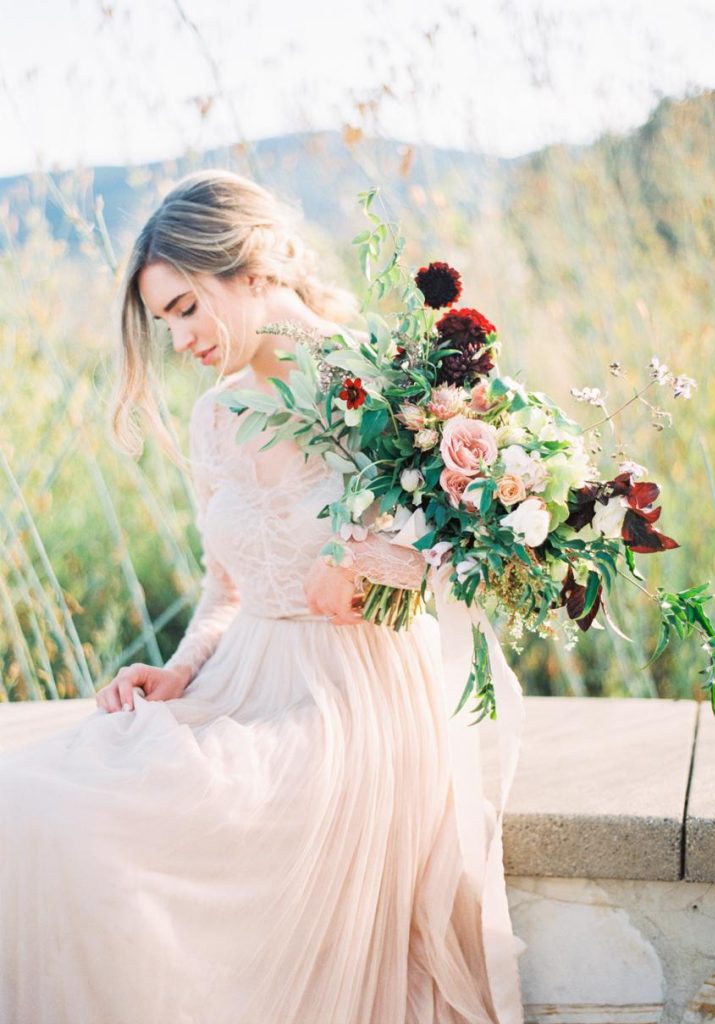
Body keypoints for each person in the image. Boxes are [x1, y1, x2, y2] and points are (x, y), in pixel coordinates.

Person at [0, 169, 525, 1023]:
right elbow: (226, 587)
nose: (179, 340)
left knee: (106, 823)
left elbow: (465, 551)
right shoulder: (217, 417)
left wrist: (361, 560)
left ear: (250, 268)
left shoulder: (392, 382)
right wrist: (178, 671)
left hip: (352, 703)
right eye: (163, 321)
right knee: (27, 799)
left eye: (185, 308)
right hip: (240, 683)